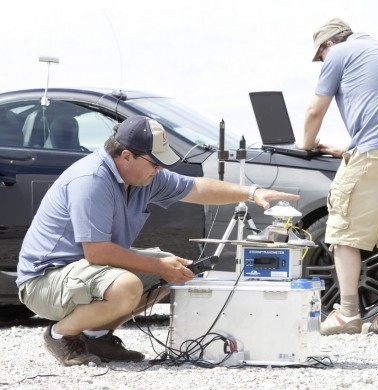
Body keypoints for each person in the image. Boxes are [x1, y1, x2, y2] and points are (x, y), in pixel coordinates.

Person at [16, 115, 299, 366]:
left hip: (82, 272)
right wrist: (157, 266)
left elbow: (197, 188)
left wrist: (252, 192)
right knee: (132, 283)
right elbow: (97, 252)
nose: (159, 170)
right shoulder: (91, 179)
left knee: (176, 268)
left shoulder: (143, 175)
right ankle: (61, 334)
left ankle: (96, 336)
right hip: (44, 281)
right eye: (155, 163)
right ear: (126, 156)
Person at [299, 18, 378, 336]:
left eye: (319, 57)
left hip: (374, 153)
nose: (321, 63)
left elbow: (315, 111)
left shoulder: (339, 54)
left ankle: (347, 314)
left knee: (342, 231)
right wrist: (347, 148)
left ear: (328, 44)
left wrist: (305, 145)